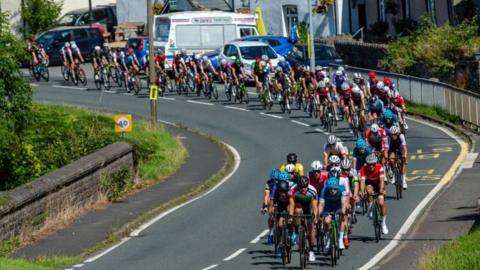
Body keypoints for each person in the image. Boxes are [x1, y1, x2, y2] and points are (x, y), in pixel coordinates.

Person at [288, 176, 318, 262]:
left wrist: (315, 217)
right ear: (298, 186)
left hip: (309, 206)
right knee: (297, 211)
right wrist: (290, 217)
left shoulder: (312, 191)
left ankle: (311, 250)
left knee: (312, 225)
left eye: (305, 187)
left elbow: (315, 207)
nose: (303, 189)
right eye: (301, 187)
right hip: (299, 205)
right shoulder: (293, 190)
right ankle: (297, 233)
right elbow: (292, 205)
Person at [360, 154, 389, 235]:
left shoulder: (379, 167)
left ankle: (383, 224)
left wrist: (381, 190)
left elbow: (382, 180)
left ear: (375, 163)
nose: (371, 166)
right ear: (367, 164)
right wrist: (362, 191)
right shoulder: (363, 169)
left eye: (373, 164)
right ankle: (370, 207)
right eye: (369, 164)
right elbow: (362, 182)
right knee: (369, 190)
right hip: (369, 183)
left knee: (381, 203)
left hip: (378, 184)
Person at [318, 177, 348, 250]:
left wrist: (343, 212)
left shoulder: (342, 189)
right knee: (326, 221)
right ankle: (328, 237)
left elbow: (343, 203)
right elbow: (321, 204)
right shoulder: (324, 190)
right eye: (331, 189)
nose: (333, 191)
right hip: (328, 206)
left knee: (342, 217)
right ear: (328, 188)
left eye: (335, 189)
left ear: (338, 187)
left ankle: (340, 239)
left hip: (338, 205)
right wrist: (320, 214)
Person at [268, 180, 291, 257]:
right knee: (279, 226)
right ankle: (279, 244)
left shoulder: (290, 192)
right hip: (280, 206)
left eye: (284, 192)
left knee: (289, 215)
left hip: (288, 206)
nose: (283, 194)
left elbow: (292, 203)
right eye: (281, 192)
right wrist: (271, 211)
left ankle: (291, 233)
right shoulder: (275, 190)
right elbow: (271, 202)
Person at [262, 169, 281, 245]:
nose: (275, 182)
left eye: (277, 180)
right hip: (272, 199)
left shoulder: (282, 183)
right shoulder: (269, 183)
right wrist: (265, 206)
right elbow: (266, 195)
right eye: (274, 180)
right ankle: (271, 232)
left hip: (280, 199)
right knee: (271, 216)